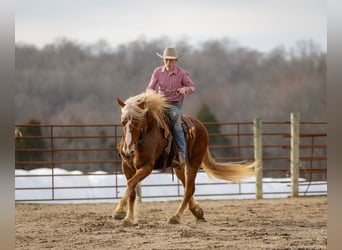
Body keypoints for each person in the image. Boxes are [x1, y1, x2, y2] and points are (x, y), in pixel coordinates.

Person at [146, 47, 195, 166]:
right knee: (145, 117)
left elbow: (192, 87)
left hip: (174, 104)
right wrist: (152, 94)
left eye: (171, 60)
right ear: (163, 60)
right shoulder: (157, 72)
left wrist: (185, 89)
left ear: (176, 61)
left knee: (176, 123)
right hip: (159, 103)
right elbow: (150, 87)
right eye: (166, 60)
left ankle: (181, 156)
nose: (169, 63)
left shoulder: (182, 74)